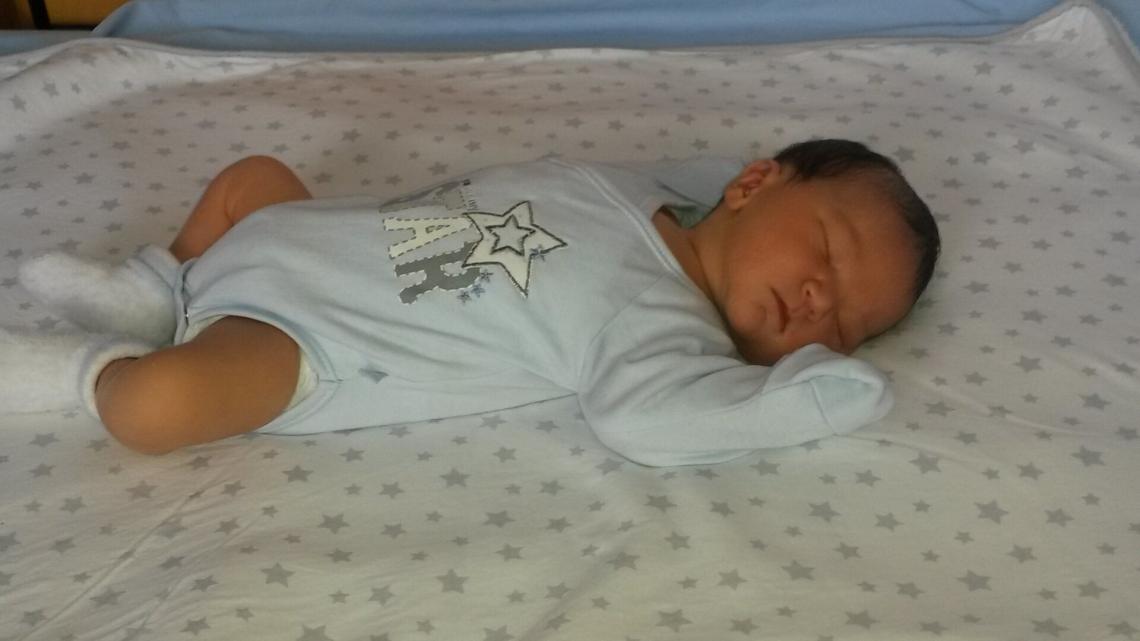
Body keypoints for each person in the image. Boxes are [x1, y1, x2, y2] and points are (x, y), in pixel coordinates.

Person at [1, 139, 939, 466]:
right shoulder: (646, 189)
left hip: (301, 337)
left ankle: (87, 369)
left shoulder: (659, 331)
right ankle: (154, 288)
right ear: (753, 183)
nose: (817, 302)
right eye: (828, 253)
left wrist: (805, 399)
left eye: (846, 326)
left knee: (156, 407)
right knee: (253, 177)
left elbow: (650, 420)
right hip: (295, 230)